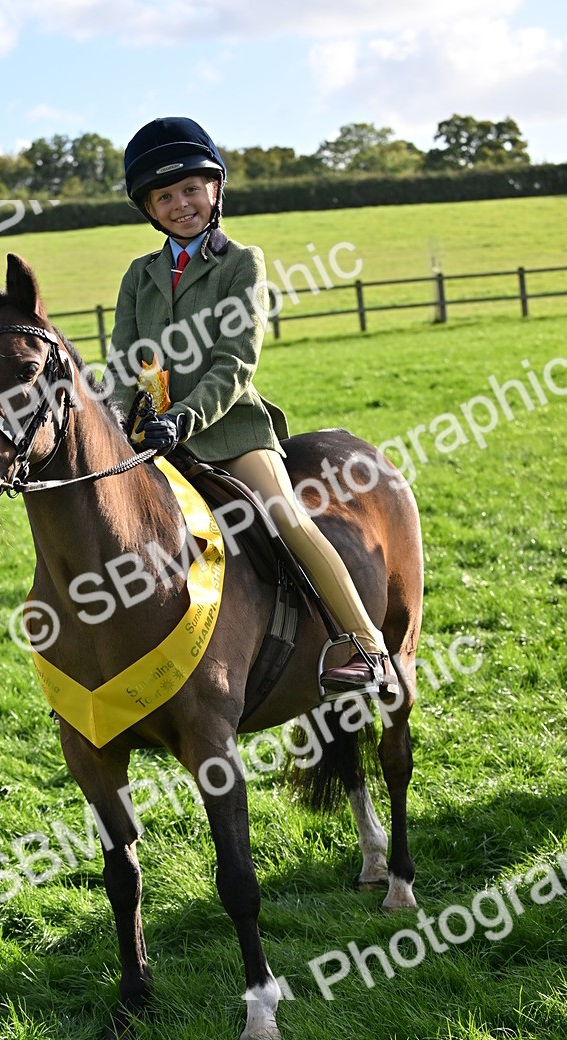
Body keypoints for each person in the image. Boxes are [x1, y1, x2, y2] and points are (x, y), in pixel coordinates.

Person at [104, 116, 396, 694]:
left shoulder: (242, 263)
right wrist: (120, 421)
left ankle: (364, 645)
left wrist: (183, 418)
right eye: (165, 196)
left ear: (215, 190)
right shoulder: (139, 277)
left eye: (190, 189)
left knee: (285, 518)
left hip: (229, 432)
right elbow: (122, 362)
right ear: (149, 209)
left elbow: (236, 363)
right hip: (150, 438)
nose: (180, 204)